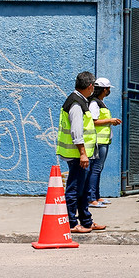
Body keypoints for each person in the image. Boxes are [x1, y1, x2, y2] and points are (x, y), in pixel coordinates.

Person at [56, 71, 106, 234]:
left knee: (83, 189)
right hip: (77, 155)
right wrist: (83, 154)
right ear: (90, 86)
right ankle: (71, 222)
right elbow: (76, 132)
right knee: (74, 188)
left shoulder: (80, 100)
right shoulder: (76, 104)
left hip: (83, 154)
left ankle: (86, 221)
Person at [87, 78, 121, 208]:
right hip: (97, 141)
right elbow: (93, 121)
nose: (109, 91)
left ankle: (96, 196)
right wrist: (110, 120)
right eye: (108, 89)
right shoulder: (94, 103)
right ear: (104, 89)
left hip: (104, 140)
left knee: (98, 169)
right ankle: (91, 198)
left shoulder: (100, 102)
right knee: (95, 169)